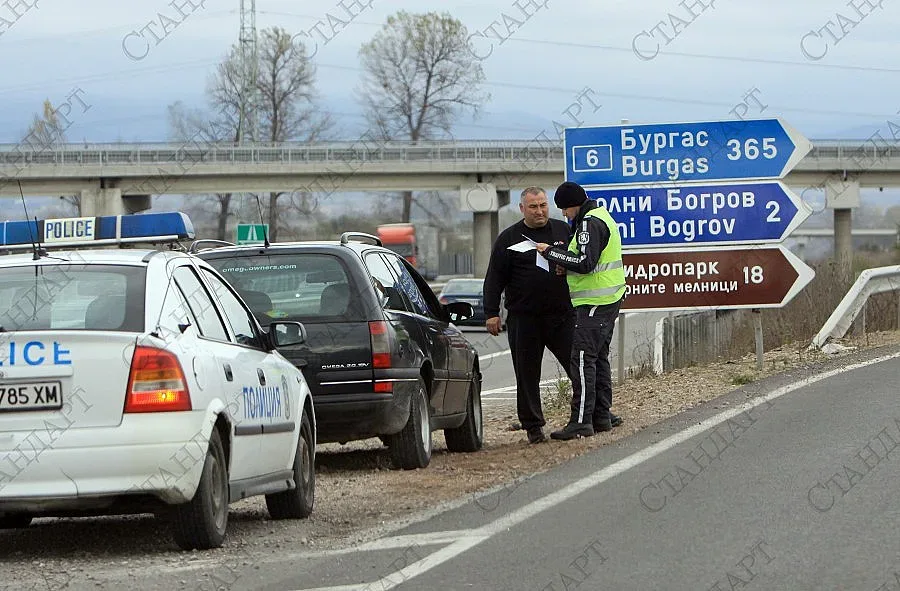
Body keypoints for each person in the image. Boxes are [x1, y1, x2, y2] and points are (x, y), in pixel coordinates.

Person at [482, 187, 576, 444]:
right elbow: (494, 278)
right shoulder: (508, 238)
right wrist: (491, 312)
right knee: (526, 374)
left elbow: (582, 262)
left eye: (543, 205)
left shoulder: (564, 231)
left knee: (578, 366)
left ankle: (589, 415)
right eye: (533, 207)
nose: (539, 211)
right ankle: (533, 426)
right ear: (522, 208)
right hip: (524, 318)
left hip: (562, 315)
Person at [535, 181, 627, 441]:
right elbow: (586, 259)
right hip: (609, 298)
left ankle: (580, 421)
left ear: (572, 205)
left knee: (584, 359)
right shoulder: (601, 216)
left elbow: (585, 262)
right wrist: (567, 261)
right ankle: (601, 416)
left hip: (595, 302)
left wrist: (552, 253)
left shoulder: (588, 223)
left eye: (564, 209)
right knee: (598, 358)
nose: (564, 215)